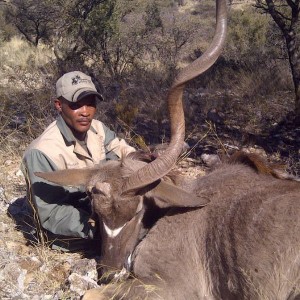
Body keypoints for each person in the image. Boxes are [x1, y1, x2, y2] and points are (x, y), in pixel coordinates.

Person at [22, 71, 135, 251]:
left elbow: (123, 151)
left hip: (105, 211)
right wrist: (99, 227)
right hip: (73, 229)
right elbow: (51, 214)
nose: (85, 112)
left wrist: (146, 162)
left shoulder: (98, 129)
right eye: (76, 105)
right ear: (59, 105)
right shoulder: (42, 152)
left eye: (90, 104)